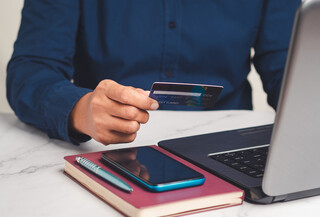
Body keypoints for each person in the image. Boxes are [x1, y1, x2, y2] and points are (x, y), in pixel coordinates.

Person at [6, 0, 301, 145]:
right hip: (103, 148)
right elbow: (31, 67)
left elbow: (287, 66)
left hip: (227, 143)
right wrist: (79, 109)